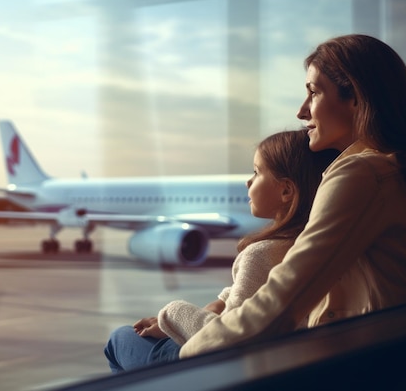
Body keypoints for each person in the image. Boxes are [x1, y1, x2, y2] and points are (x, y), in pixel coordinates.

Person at [178, 33, 406, 358]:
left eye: (314, 93)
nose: (302, 111)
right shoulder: (400, 169)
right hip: (394, 353)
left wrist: (189, 357)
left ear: (356, 98)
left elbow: (281, 300)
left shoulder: (362, 176)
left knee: (127, 342)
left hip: (356, 364)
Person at [104, 130, 340, 373]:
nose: (248, 182)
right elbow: (246, 301)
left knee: (120, 338)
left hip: (234, 366)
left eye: (257, 172)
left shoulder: (260, 254)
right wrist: (211, 308)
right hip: (288, 361)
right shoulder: (319, 244)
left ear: (286, 191)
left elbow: (228, 335)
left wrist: (172, 315)